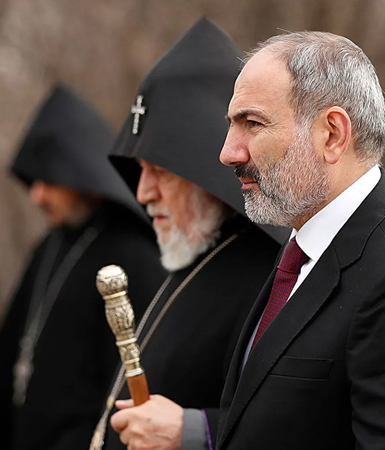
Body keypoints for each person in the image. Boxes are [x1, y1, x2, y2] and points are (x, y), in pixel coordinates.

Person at [213, 31, 385, 449]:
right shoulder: (305, 244)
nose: (229, 152)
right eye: (233, 125)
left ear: (333, 134)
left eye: (253, 123)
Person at [88, 18, 285, 450]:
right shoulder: (192, 254)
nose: (143, 193)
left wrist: (193, 432)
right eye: (141, 171)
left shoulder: (267, 279)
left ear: (207, 177)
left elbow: (283, 428)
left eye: (160, 172)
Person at [0, 85, 165, 450]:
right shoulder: (50, 246)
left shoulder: (133, 255)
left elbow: (133, 382)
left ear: (79, 175)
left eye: (47, 180)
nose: (36, 195)